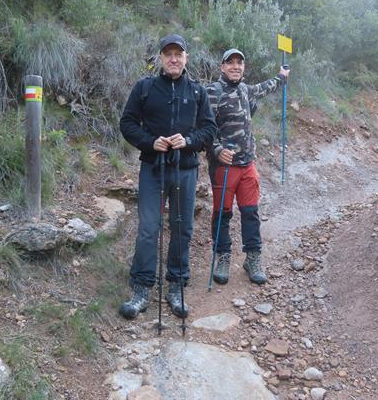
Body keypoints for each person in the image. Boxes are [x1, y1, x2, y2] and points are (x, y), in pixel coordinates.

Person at [119, 34, 216, 320]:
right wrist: (151, 142)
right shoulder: (145, 88)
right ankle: (141, 288)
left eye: (178, 54)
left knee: (182, 227)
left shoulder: (197, 92)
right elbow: (127, 123)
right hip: (153, 168)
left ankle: (176, 285)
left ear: (186, 58)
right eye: (168, 54)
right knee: (149, 227)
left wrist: (189, 140)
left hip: (185, 169)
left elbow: (209, 129)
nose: (173, 59)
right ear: (161, 58)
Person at [207, 48, 290, 285]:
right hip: (224, 166)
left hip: (247, 165)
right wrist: (217, 150)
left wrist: (282, 77)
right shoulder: (212, 91)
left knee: (250, 213)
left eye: (239, 63)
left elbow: (264, 88)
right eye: (230, 62)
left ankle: (253, 257)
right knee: (222, 214)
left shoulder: (245, 89)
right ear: (222, 67)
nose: (235, 66)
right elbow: (204, 127)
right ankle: (223, 257)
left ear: (243, 67)